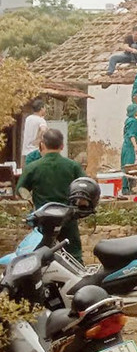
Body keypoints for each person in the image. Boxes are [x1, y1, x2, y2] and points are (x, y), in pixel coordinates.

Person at [17, 129, 85, 263]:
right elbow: (85, 187)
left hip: (43, 220)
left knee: (39, 257)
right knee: (74, 257)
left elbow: (21, 189)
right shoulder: (73, 166)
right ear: (62, 146)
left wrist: (29, 200)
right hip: (67, 218)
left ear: (42, 145)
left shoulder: (33, 167)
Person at [21, 99, 48, 165]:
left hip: (26, 152)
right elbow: (43, 130)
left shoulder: (28, 119)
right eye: (44, 108)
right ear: (41, 108)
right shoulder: (41, 120)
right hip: (36, 152)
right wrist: (38, 139)